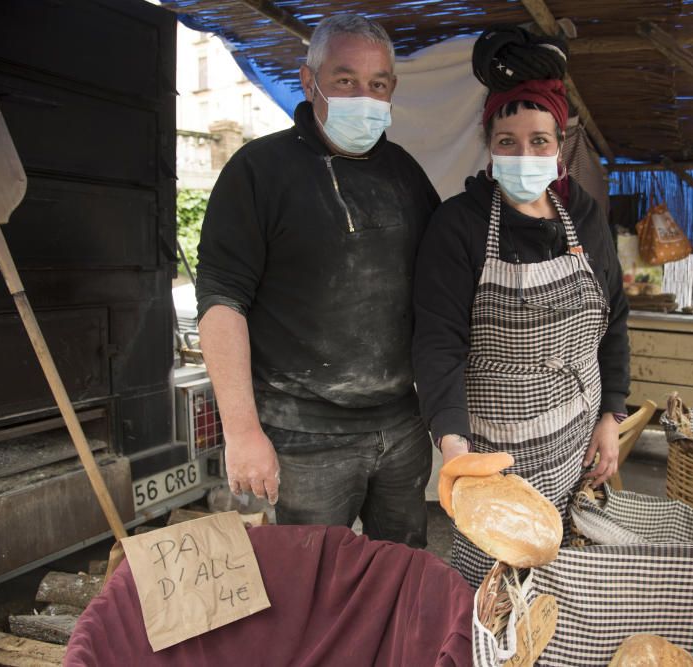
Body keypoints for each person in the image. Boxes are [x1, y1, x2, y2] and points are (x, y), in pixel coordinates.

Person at [196, 15, 440, 548]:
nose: (364, 95)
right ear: (310, 82)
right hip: (301, 435)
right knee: (311, 587)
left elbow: (439, 295)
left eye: (377, 84)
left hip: (400, 427)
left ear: (392, 89)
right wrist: (241, 432)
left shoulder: (406, 175)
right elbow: (221, 303)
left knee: (401, 574)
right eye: (345, 79)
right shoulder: (259, 172)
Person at [412, 26, 630, 587]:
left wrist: (613, 414)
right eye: (507, 141)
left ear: (560, 144)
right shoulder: (458, 224)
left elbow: (615, 319)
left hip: (577, 436)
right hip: (496, 452)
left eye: (539, 140)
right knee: (492, 581)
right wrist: (455, 450)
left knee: (562, 566)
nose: (524, 153)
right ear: (489, 143)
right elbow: (438, 343)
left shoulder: (581, 215)